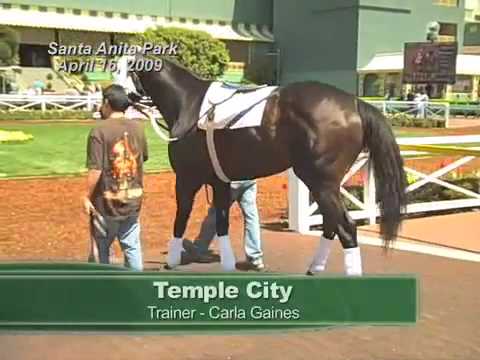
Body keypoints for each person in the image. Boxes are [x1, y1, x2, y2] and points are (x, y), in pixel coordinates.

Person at [82, 84, 148, 271]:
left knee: (101, 248)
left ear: (107, 103)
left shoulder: (99, 131)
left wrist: (87, 196)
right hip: (133, 198)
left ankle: (103, 287)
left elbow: (96, 169)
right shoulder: (138, 128)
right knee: (132, 246)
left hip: (107, 202)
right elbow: (142, 158)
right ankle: (138, 287)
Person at [187, 180, 265, 271]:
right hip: (249, 180)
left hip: (231, 181)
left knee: (215, 213)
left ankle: (199, 248)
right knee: (251, 217)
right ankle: (255, 258)